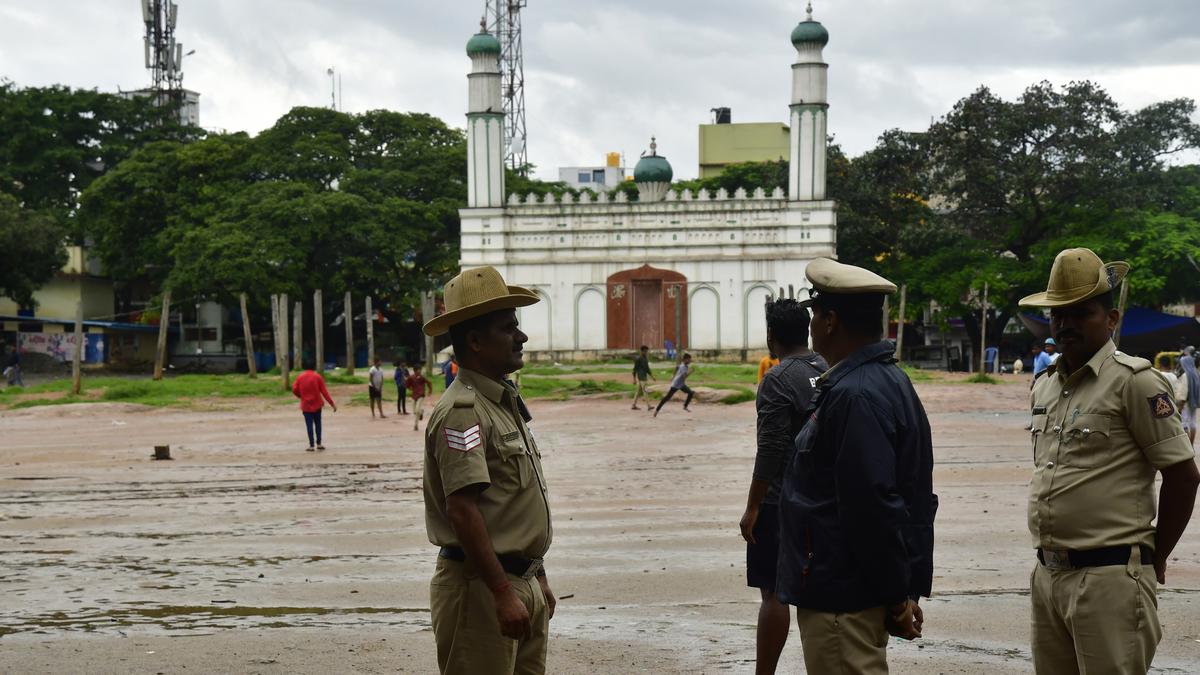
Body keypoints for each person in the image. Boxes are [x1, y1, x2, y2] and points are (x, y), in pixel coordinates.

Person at [1019, 248, 1199, 673]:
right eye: (1058, 315)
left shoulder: (1134, 383)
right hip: (1048, 574)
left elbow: (1184, 475)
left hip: (1109, 579)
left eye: (1082, 313)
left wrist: (1155, 560)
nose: (1066, 325)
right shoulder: (1044, 386)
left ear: (1111, 320)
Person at [776, 257, 936, 674]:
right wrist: (908, 586)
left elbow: (872, 507)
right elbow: (916, 497)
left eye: (814, 315)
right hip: (854, 592)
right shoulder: (886, 381)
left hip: (842, 600)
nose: (809, 326)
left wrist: (899, 597)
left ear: (829, 321)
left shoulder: (855, 395)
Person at [421, 265, 555, 675]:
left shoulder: (503, 401)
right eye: (508, 328)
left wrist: (539, 577)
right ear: (476, 341)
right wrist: (500, 591)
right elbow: (463, 509)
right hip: (481, 587)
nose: (522, 337)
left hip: (519, 583)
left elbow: (511, 503)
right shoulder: (463, 412)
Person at [738, 299, 826, 675]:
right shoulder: (828, 368)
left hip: (780, 502)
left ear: (771, 335)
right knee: (819, 590)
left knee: (773, 592)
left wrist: (753, 506)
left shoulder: (777, 378)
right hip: (823, 499)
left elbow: (771, 448)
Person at [292, 360, 337, 451]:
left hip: (306, 405)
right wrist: (332, 404)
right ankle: (319, 443)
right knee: (318, 424)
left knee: (309, 425)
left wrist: (300, 396)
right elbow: (324, 392)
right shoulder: (317, 377)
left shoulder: (300, 377)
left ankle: (311, 445)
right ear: (314, 367)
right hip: (317, 405)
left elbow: (294, 389)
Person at [653, 353, 694, 417]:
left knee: (691, 393)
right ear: (685, 359)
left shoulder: (683, 365)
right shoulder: (683, 367)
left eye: (690, 359)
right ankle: (657, 410)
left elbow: (677, 367)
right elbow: (684, 377)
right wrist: (690, 372)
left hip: (681, 384)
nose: (690, 361)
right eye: (689, 359)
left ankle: (685, 406)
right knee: (667, 398)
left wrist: (672, 375)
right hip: (676, 384)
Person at [1180, 346, 1199, 446]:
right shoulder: (1196, 373)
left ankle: (1187, 446)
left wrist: (1181, 404)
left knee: (1184, 424)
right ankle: (1191, 444)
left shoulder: (1185, 375)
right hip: (1194, 403)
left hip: (1186, 403)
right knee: (1193, 423)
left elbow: (1184, 392)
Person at [406, 364, 432, 432]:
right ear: (415, 371)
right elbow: (407, 385)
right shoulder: (411, 377)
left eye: (420, 370)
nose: (420, 371)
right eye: (418, 370)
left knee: (417, 410)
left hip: (421, 395)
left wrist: (430, 391)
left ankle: (416, 425)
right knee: (414, 412)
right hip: (414, 396)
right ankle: (421, 412)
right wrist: (410, 388)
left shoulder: (422, 377)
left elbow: (429, 383)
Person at [631, 345, 655, 410]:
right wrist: (634, 379)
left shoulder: (645, 359)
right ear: (641, 351)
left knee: (638, 392)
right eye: (645, 351)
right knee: (645, 391)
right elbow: (634, 369)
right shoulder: (638, 359)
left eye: (647, 351)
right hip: (641, 378)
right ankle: (649, 406)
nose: (646, 352)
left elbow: (647, 369)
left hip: (644, 377)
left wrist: (652, 376)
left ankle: (633, 405)